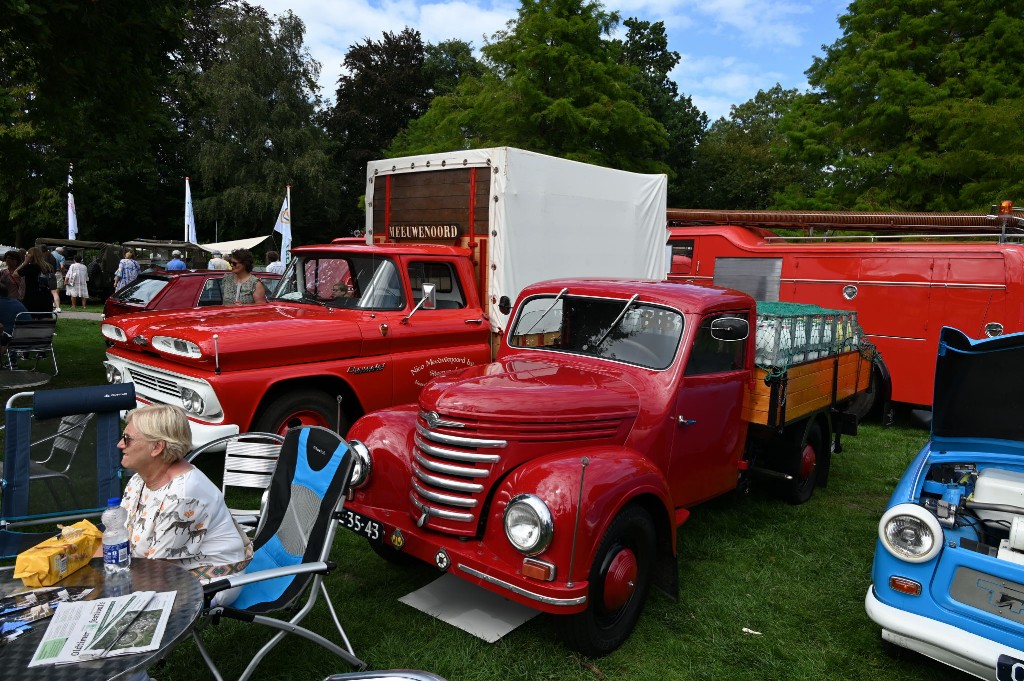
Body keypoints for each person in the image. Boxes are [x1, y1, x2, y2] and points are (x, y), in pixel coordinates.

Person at [117, 404, 252, 583]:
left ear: (157, 447)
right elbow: (118, 536)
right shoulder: (139, 480)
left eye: (127, 439)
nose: (120, 444)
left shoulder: (184, 496)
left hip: (208, 582)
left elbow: (155, 574)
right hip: (156, 570)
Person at [14, 247, 57, 313]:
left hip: (31, 297)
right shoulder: (49, 267)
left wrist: (25, 263)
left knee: (31, 318)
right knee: (45, 318)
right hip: (46, 297)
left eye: (27, 254)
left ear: (31, 256)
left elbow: (15, 274)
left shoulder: (29, 267)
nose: (26, 256)